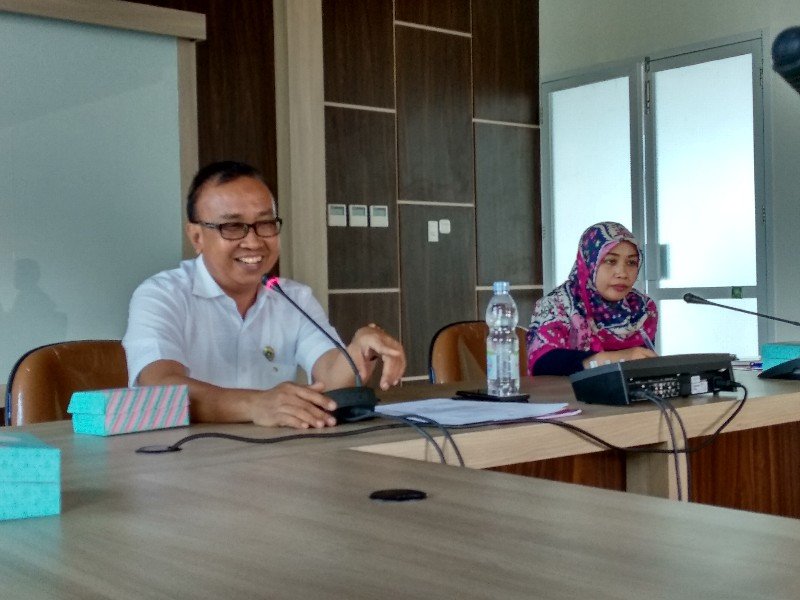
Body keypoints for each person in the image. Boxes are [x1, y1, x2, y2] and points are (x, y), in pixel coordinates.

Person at [123, 160, 406, 429]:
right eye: (232, 226)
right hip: (185, 453)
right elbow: (158, 387)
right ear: (197, 237)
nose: (253, 241)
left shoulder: (293, 297)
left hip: (271, 451)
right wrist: (256, 405)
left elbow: (331, 378)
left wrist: (359, 351)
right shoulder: (161, 295)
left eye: (266, 223)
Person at [527, 221, 658, 376]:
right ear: (589, 262)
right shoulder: (557, 304)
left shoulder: (642, 308)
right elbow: (542, 362)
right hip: (568, 391)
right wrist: (616, 359)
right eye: (610, 261)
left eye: (631, 262)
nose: (622, 273)